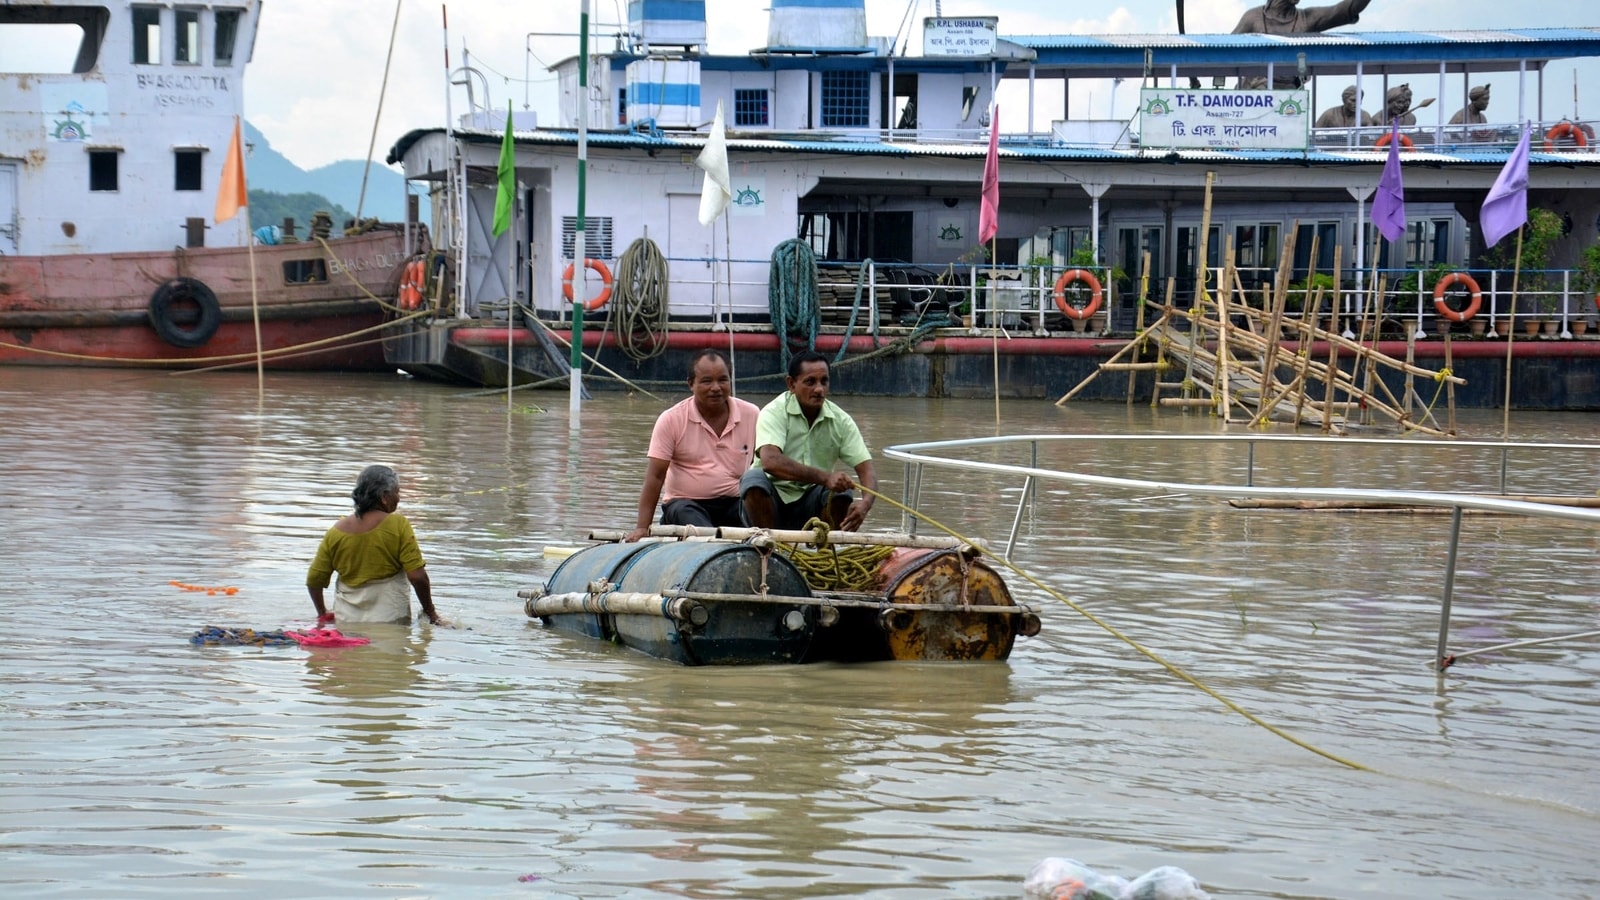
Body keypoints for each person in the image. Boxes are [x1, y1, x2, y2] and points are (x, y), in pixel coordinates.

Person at [625, 349, 760, 542]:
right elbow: (655, 477)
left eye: (722, 380)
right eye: (706, 381)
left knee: (756, 504)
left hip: (735, 505)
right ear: (691, 384)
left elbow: (765, 467)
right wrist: (641, 528)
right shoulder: (671, 419)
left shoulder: (752, 414)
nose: (716, 388)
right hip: (685, 506)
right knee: (687, 514)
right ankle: (714, 548)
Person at [740, 351, 877, 532]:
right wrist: (826, 477)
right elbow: (770, 461)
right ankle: (768, 547)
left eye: (824, 381)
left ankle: (825, 552)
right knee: (752, 479)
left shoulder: (841, 420)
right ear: (791, 384)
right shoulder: (774, 412)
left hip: (812, 505)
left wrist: (865, 504)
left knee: (841, 491)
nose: (819, 389)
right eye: (810, 382)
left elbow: (866, 469)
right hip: (772, 500)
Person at [307, 465, 445, 626]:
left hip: (347, 621)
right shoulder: (398, 525)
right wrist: (431, 612)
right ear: (384, 497)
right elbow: (417, 577)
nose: (398, 498)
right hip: (390, 619)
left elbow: (314, 580)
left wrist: (322, 614)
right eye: (397, 492)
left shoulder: (336, 532)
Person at [1232, 0, 1374, 35]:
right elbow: (1226, 52)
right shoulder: (1252, 18)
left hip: (1292, 98)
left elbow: (1346, 9)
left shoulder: (1307, 18)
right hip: (1254, 97)